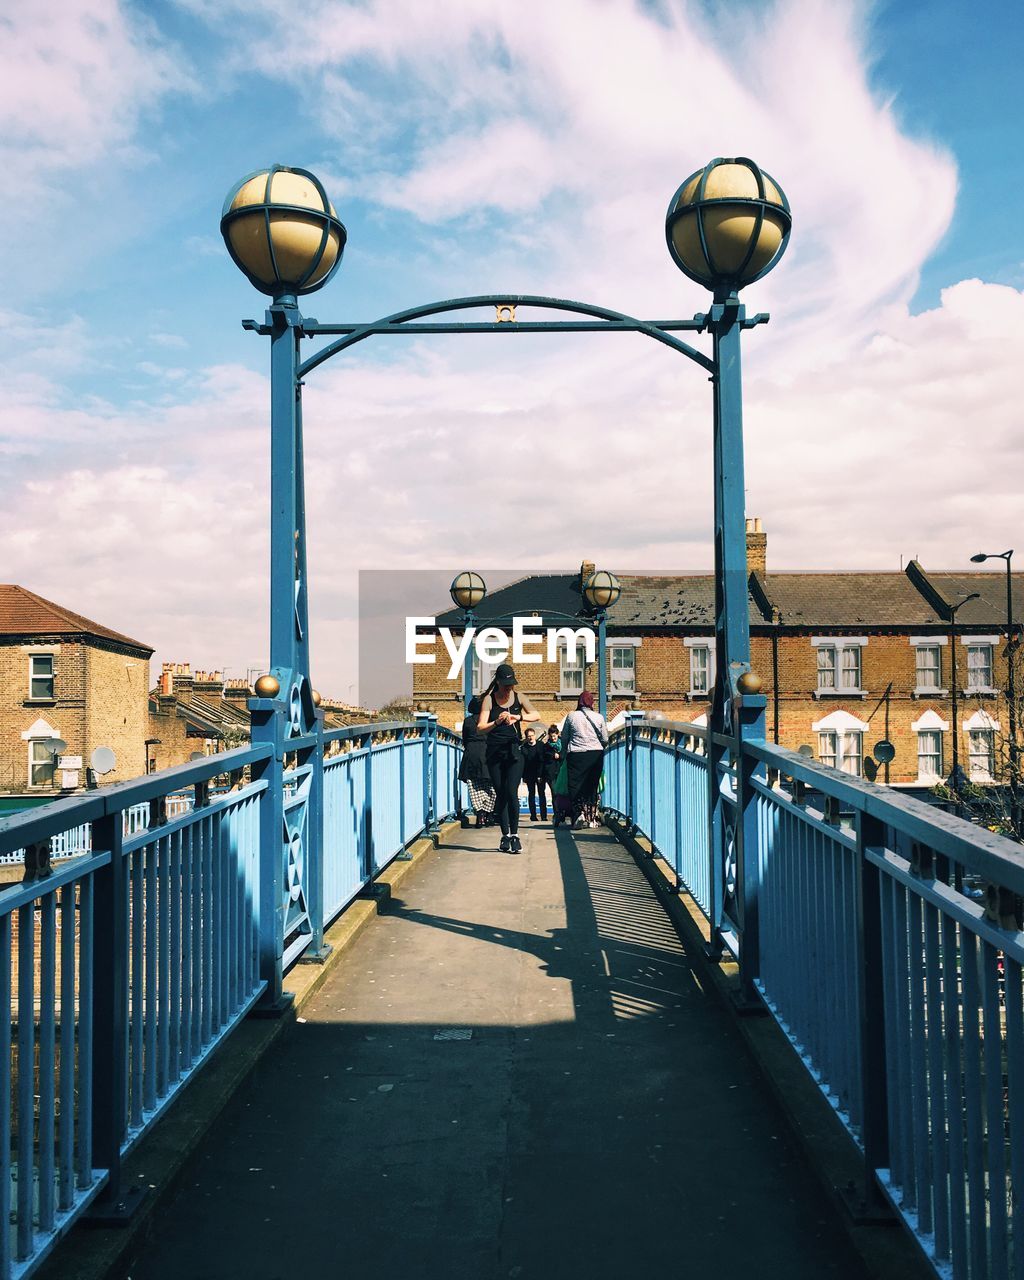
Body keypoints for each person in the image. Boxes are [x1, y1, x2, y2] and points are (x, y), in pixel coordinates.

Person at [477, 662, 540, 853]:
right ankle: (504, 836)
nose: (508, 689)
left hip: (514, 752)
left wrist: (518, 718)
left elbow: (536, 714)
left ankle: (515, 835)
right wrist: (496, 721)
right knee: (501, 793)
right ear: (498, 682)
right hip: (494, 753)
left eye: (511, 685)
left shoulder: (519, 697)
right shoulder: (489, 700)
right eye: (505, 686)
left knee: (512, 792)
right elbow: (480, 727)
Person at [560, 690, 608, 830]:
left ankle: (578, 814)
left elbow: (565, 737)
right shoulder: (599, 717)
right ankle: (592, 818)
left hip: (576, 754)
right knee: (592, 785)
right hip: (595, 754)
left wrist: (563, 752)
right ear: (591, 702)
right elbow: (605, 739)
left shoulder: (571, 716)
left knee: (575, 785)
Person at [459, 695, 495, 826]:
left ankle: (479, 814)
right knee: (491, 786)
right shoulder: (489, 720)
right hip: (486, 753)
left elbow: (464, 739)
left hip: (471, 754)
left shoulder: (467, 721)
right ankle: (488, 813)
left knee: (473, 785)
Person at [540, 723, 565, 824]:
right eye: (551, 737)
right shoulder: (546, 747)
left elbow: (565, 754)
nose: (553, 738)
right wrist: (552, 755)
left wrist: (560, 755)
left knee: (563, 793)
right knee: (555, 793)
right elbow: (543, 760)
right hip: (551, 773)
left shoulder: (563, 744)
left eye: (554, 736)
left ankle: (563, 812)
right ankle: (557, 813)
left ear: (558, 734)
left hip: (562, 772)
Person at [521, 728, 547, 821]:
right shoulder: (524, 748)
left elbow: (543, 761)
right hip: (529, 775)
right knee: (531, 794)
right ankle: (533, 816)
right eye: (529, 736)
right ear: (526, 737)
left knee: (541, 794)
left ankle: (544, 816)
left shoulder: (541, 745)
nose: (531, 737)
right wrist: (524, 776)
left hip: (540, 774)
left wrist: (540, 775)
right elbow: (523, 763)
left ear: (535, 735)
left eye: (532, 735)